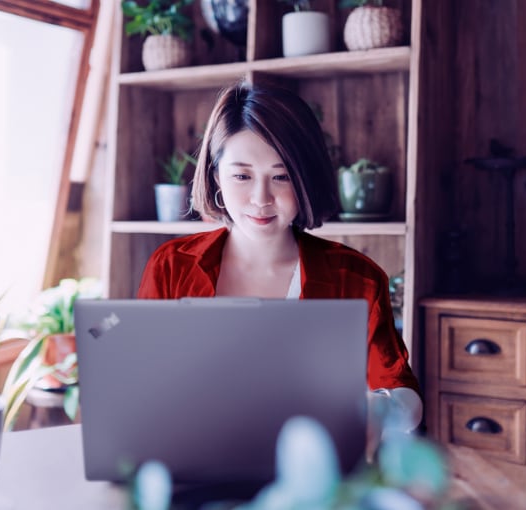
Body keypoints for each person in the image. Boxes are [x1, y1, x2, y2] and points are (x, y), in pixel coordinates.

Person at [137, 80, 423, 445]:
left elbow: (403, 391)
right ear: (216, 178)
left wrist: (378, 411)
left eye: (281, 176)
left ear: (305, 178)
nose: (261, 198)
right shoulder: (172, 266)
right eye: (241, 176)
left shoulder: (356, 278)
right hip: (196, 460)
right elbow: (143, 380)